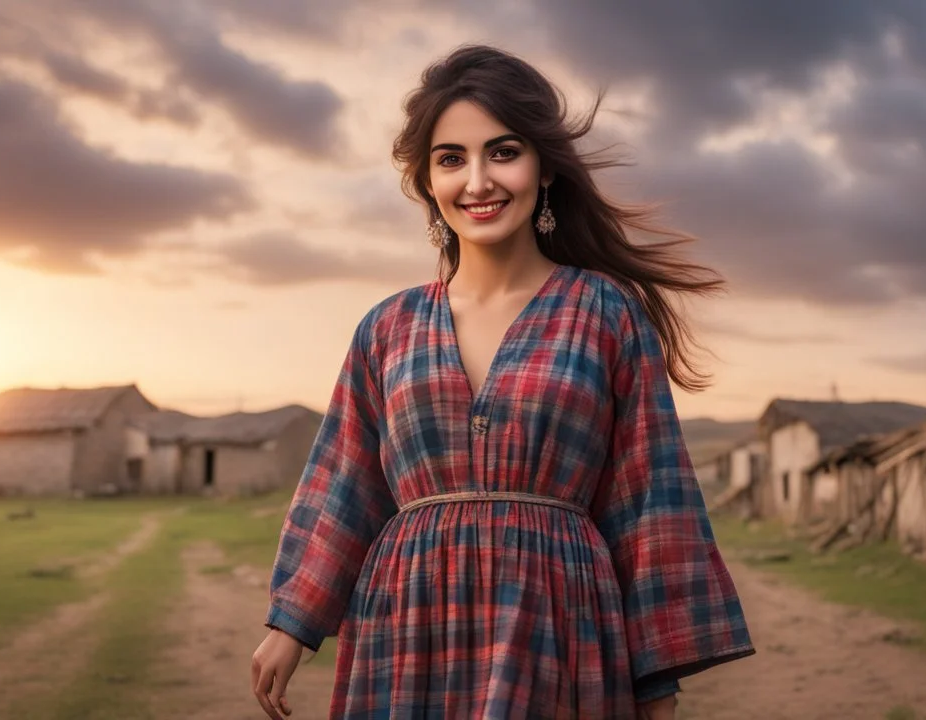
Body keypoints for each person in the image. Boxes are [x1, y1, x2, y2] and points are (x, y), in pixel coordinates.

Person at [251, 44, 754, 720]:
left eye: (503, 151)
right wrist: (292, 621)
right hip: (406, 629)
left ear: (543, 168)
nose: (478, 180)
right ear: (428, 182)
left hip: (560, 626)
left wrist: (654, 684)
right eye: (451, 159)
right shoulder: (387, 329)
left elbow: (649, 502)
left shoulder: (605, 312)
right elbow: (346, 481)